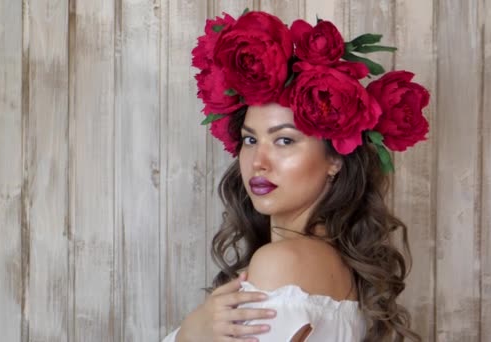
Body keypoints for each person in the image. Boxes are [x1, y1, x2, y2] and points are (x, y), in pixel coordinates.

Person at [163, 9, 429, 342]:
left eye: (284, 140)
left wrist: (192, 334)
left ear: (335, 159)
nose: (258, 162)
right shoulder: (337, 268)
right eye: (250, 139)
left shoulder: (282, 262)